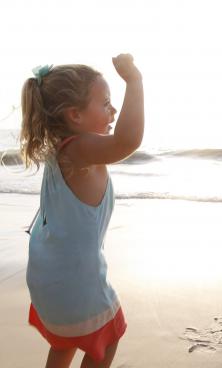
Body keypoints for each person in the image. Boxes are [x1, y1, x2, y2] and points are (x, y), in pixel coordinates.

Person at [21, 54, 144, 368]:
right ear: (75, 115)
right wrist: (134, 81)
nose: (113, 110)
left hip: (50, 283)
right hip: (74, 286)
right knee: (110, 335)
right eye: (105, 103)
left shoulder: (62, 150)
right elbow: (127, 140)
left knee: (66, 342)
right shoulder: (79, 150)